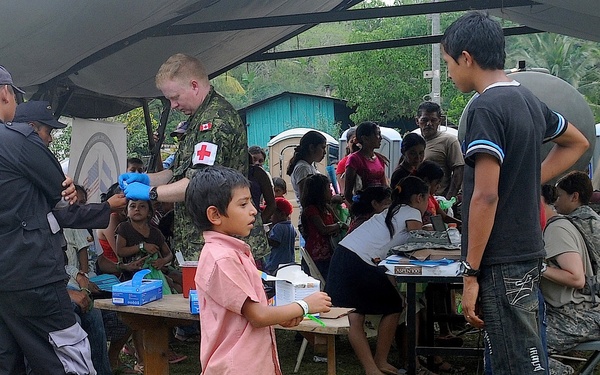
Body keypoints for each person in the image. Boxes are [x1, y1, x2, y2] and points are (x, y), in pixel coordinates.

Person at [441, 11, 589, 374]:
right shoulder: (526, 98)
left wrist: (470, 273)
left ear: (466, 57)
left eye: (447, 63)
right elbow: (577, 142)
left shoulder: (485, 108)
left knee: (516, 365)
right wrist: (527, 178)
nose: (448, 72)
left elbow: (485, 197)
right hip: (527, 253)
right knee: (524, 359)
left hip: (501, 259)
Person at [186, 166, 332, 374]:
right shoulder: (223, 258)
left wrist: (282, 314)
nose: (254, 210)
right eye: (243, 204)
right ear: (215, 215)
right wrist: (304, 305)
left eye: (251, 202)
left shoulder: (231, 252)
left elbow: (251, 313)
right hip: (238, 366)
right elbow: (258, 316)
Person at [0, 66, 96, 374]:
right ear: (5, 93)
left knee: (8, 360)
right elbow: (63, 195)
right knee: (69, 358)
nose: (50, 139)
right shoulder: (19, 140)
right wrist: (107, 207)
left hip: (8, 277)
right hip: (32, 274)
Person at [119, 53, 249, 262]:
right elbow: (177, 171)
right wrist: (146, 178)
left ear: (194, 86)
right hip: (204, 239)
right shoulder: (199, 119)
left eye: (175, 97)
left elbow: (196, 184)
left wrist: (151, 193)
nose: (173, 105)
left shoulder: (214, 123)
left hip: (219, 243)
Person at [327, 176, 430, 375]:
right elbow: (420, 243)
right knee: (395, 306)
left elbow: (385, 262)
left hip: (343, 256)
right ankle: (380, 361)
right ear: (419, 198)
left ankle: (372, 369)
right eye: (427, 199)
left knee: (355, 317)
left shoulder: (392, 210)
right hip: (358, 261)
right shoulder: (412, 212)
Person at [539, 182, 600, 375]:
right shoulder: (556, 225)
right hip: (572, 311)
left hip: (580, 314)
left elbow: (576, 278)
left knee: (522, 346)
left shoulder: (556, 230)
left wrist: (538, 268)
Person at [415, 101, 464, 200]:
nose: (429, 124)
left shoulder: (449, 141)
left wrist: (448, 200)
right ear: (417, 121)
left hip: (438, 200)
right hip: (416, 200)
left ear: (439, 121)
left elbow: (459, 170)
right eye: (424, 120)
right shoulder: (414, 142)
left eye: (433, 120)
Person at [300, 174, 344, 281]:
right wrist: (339, 226)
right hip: (317, 255)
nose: (331, 191)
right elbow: (323, 229)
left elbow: (337, 221)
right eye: (327, 188)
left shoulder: (327, 207)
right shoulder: (311, 210)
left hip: (329, 251)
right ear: (318, 192)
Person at [344, 121, 388, 207]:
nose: (380, 138)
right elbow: (348, 193)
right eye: (377, 134)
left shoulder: (380, 159)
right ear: (365, 138)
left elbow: (384, 186)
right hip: (363, 209)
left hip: (379, 208)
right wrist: (359, 209)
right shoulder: (354, 159)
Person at [247, 152, 276, 267]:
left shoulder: (257, 173)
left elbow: (271, 204)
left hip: (253, 226)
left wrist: (258, 222)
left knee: (256, 265)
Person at [414, 160, 461, 227]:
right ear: (426, 181)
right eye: (437, 183)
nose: (439, 186)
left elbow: (444, 217)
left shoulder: (431, 198)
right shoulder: (418, 201)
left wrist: (462, 224)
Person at [287, 130, 327, 207]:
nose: (324, 152)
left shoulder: (309, 166)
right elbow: (305, 199)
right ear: (312, 147)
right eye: (322, 147)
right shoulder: (303, 168)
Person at [265, 197, 296, 275]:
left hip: (276, 263)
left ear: (281, 214)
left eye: (272, 214)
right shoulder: (291, 226)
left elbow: (275, 242)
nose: (270, 217)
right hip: (289, 262)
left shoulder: (278, 226)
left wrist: (265, 236)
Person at [336, 126, 357, 193]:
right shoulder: (343, 163)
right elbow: (343, 191)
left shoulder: (371, 159)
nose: (356, 145)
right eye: (352, 142)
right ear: (347, 144)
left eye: (358, 141)